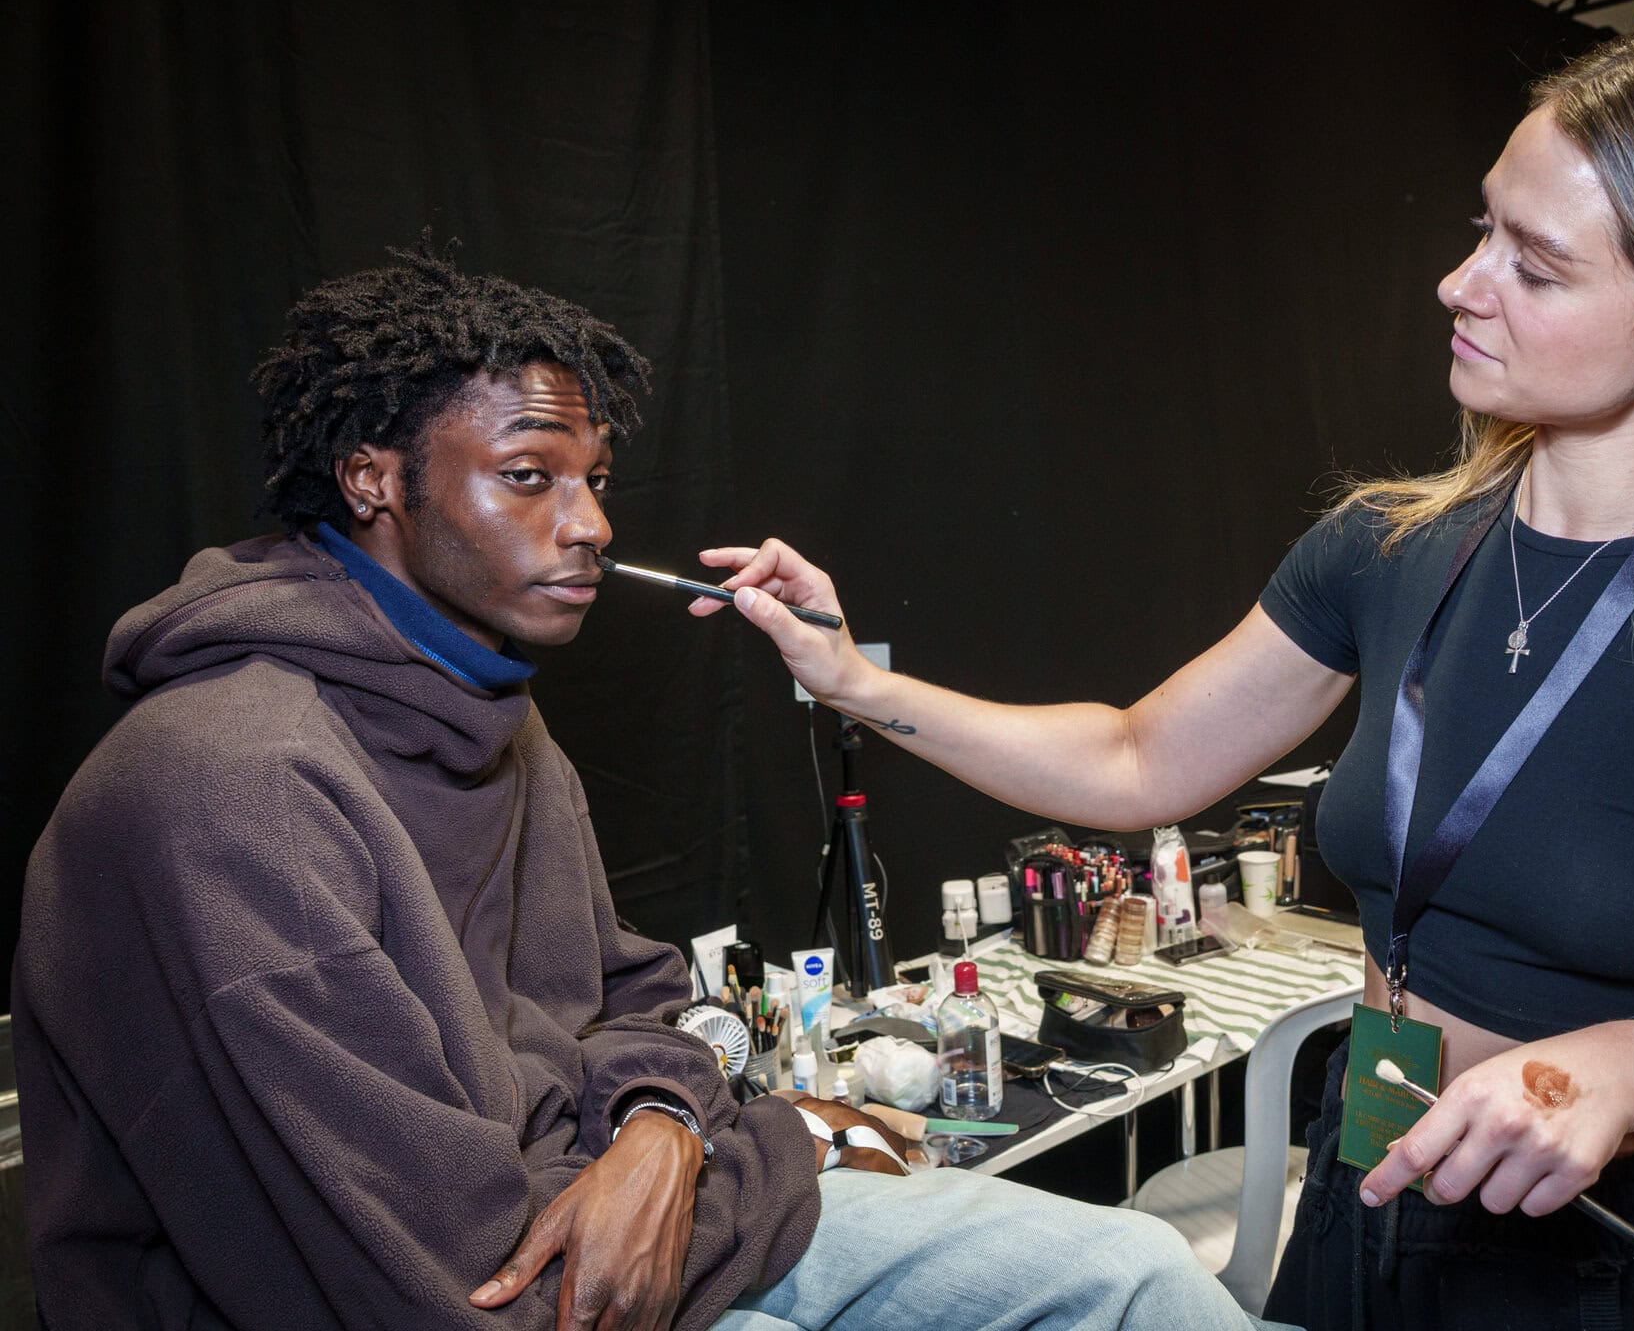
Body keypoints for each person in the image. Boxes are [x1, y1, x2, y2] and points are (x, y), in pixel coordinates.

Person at [703, 10, 1634, 1329]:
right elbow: (1136, 757)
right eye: (1484, 229)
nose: (1460, 284)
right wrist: (856, 682)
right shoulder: (1390, 547)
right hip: (1371, 1200)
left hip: (1620, 1262)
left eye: (1536, 266)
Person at [11, 246, 1283, 1331]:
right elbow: (445, 1276)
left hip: (630, 1210)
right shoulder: (227, 787)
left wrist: (666, 1128)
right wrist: (744, 1145)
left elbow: (634, 992)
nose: (592, 525)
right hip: (474, 1290)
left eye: (597, 480)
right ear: (372, 477)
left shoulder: (496, 713)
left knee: (1130, 1274)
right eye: (530, 476)